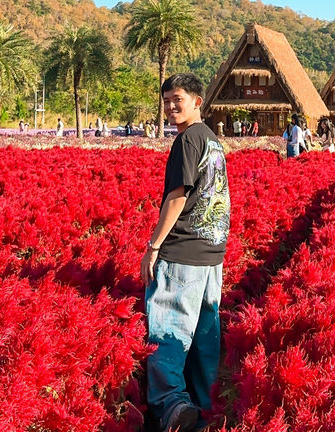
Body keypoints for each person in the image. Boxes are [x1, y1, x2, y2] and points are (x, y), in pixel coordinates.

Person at [141, 73, 230, 432]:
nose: (171, 107)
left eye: (178, 99)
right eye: (166, 102)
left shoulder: (187, 141)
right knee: (206, 332)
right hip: (212, 254)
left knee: (168, 329)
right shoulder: (212, 140)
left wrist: (154, 246)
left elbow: (177, 196)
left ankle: (173, 405)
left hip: (184, 252)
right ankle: (206, 406)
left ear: (197, 101)